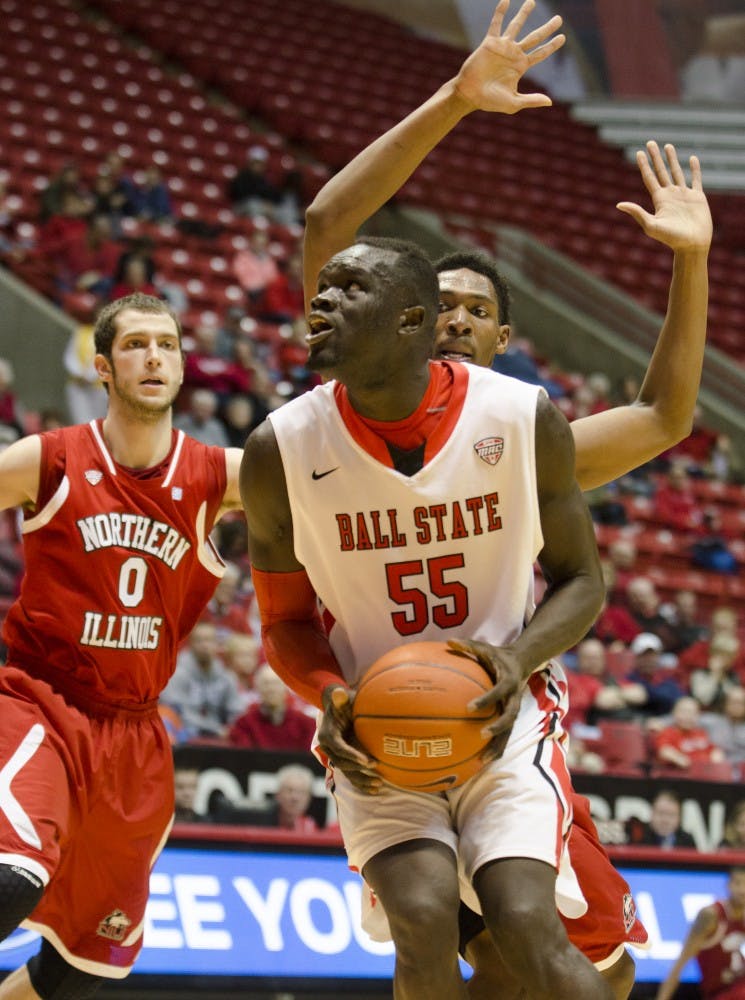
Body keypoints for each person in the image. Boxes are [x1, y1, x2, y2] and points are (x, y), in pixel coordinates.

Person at [298, 0, 710, 994]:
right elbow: (326, 226)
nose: (453, 324)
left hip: (502, 715)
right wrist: (452, 97)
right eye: (435, 308)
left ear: (503, 339)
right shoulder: (344, 404)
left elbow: (662, 415)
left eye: (476, 313)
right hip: (381, 717)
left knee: (588, 969)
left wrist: (689, 262)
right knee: (441, 938)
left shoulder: (529, 439)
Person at [242, 221, 611, 1000]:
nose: (321, 303)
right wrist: (330, 695)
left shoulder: (519, 415)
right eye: (321, 290)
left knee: (525, 926)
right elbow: (283, 625)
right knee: (421, 916)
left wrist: (514, 659)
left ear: (412, 320)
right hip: (372, 730)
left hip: (502, 714)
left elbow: (582, 581)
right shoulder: (279, 448)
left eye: (349, 290)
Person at [0, 291, 243, 996]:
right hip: (43, 703)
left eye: (166, 344)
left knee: (79, 968)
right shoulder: (48, 459)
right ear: (103, 368)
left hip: (136, 733)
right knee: (12, 878)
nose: (154, 357)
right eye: (136, 345)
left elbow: (329, 482)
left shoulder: (217, 476)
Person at [656, 867, 745, 1000]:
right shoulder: (711, 916)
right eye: (737, 883)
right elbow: (680, 962)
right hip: (720, 992)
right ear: (728, 885)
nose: (742, 890)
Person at [161, 620, 243, 739]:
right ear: (190, 644)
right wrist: (215, 729)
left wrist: (232, 729)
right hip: (185, 733)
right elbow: (176, 711)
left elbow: (236, 711)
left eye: (209, 640)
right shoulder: (177, 673)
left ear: (217, 644)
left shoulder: (226, 676)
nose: (205, 645)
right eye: (199, 640)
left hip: (219, 735)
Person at [228, 664, 316, 751]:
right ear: (257, 688)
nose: (271, 689)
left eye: (276, 683)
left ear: (286, 688)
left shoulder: (306, 724)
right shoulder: (244, 724)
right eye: (266, 684)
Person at [625, 790, 697, 849]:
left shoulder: (687, 841)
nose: (665, 820)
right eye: (660, 813)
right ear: (652, 814)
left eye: (671, 815)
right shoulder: (638, 837)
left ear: (679, 818)